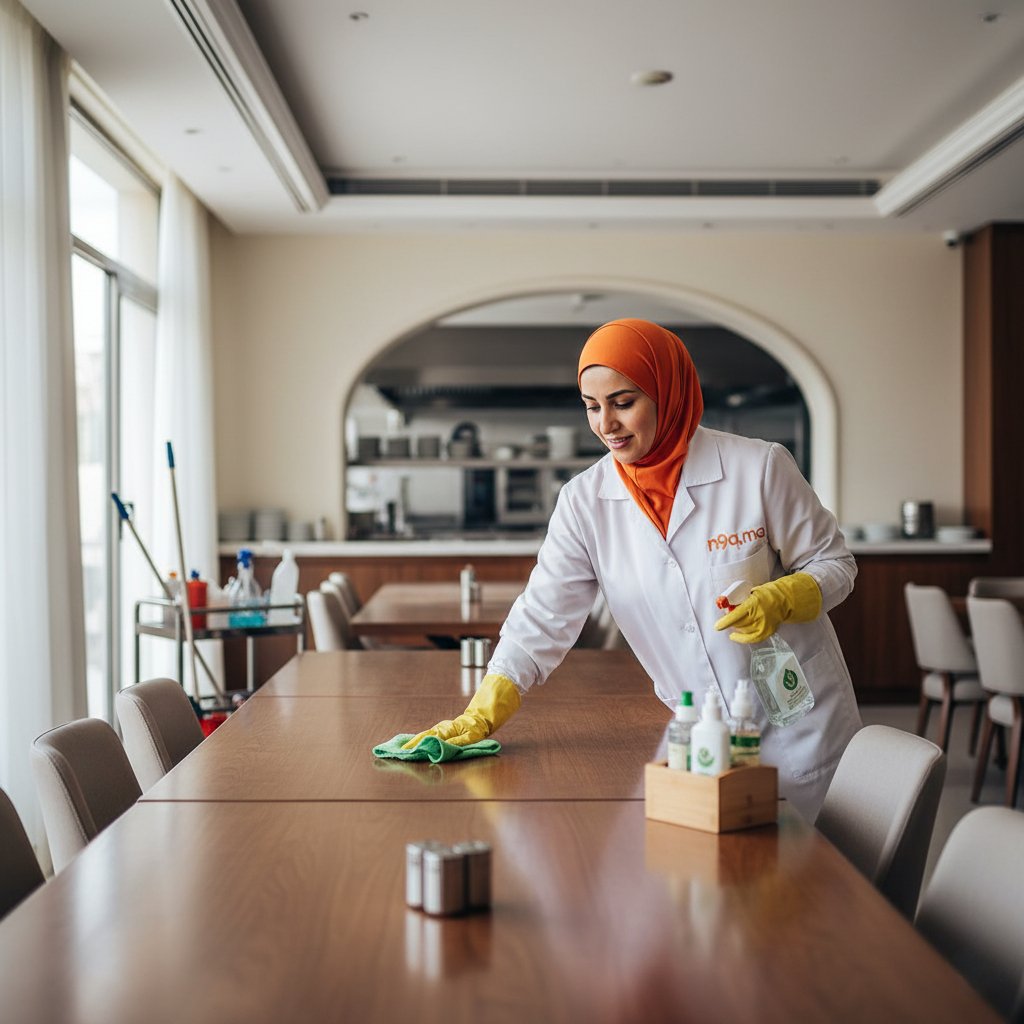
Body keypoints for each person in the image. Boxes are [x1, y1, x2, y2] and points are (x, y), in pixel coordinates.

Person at [404, 318, 862, 820]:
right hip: (697, 732)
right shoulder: (584, 501)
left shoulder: (759, 468)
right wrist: (483, 710)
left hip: (797, 724)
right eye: (592, 407)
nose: (606, 424)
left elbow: (833, 563)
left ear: (670, 392)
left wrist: (787, 595)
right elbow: (542, 615)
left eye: (623, 402)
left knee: (813, 886)